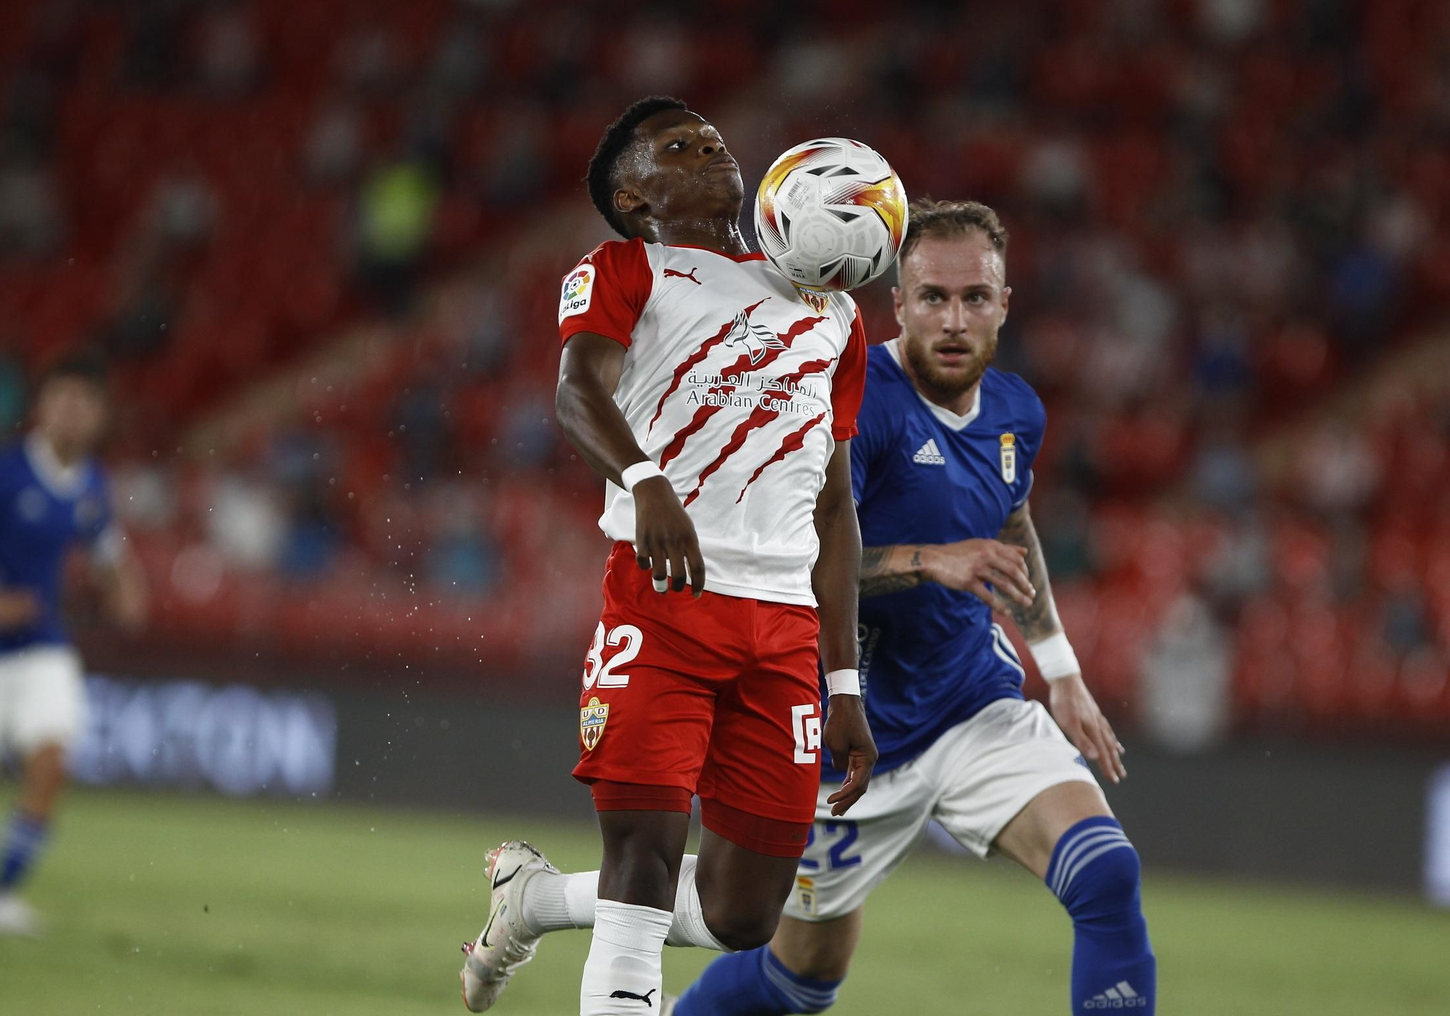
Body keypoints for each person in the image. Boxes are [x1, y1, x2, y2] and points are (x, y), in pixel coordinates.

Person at [672, 199, 1157, 1014]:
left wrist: (1062, 668)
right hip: (850, 739)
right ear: (898, 303)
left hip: (973, 704)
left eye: (976, 297)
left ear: (1006, 303)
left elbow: (1011, 524)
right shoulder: (852, 406)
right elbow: (800, 559)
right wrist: (932, 561)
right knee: (799, 980)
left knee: (1106, 871)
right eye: (933, 296)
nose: (955, 318)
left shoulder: (1016, 412)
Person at [458, 96, 878, 1016]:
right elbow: (576, 392)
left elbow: (837, 507)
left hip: (785, 635)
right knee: (641, 859)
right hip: (662, 605)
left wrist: (843, 684)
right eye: (676, 148)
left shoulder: (833, 310)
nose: (709, 147)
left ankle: (530, 900)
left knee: (744, 915)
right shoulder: (624, 268)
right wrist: (645, 479)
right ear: (635, 199)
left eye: (710, 136)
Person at [0, 350, 148, 936]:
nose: (72, 414)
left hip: (43, 642)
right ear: (41, 409)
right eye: (62, 400)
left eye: (84, 403)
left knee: (52, 756)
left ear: (99, 415)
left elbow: (106, 548)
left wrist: (124, 591)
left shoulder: (93, 481)